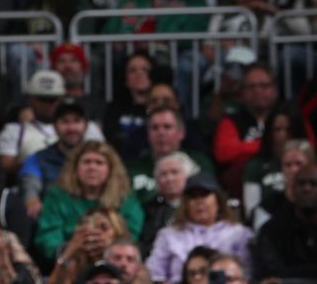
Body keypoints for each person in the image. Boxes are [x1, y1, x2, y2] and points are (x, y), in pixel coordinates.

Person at [33, 141, 144, 262]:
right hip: (70, 260)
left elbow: (132, 233)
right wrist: (72, 247)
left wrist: (111, 245)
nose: (92, 167)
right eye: (86, 162)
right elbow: (47, 237)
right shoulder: (57, 196)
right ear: (75, 168)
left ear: (111, 169)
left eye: (99, 163)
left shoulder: (125, 197)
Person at [145, 173, 253, 283]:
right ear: (185, 204)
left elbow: (248, 273)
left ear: (218, 200)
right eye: (193, 197)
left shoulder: (239, 233)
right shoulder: (168, 235)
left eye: (204, 195)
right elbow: (153, 273)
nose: (199, 201)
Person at [0, 70, 104, 175]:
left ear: (63, 97)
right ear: (30, 99)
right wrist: (41, 159)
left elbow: (103, 159)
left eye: (53, 99)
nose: (48, 104)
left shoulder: (87, 127)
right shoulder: (15, 130)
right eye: (43, 99)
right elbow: (5, 166)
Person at [212, 63, 280, 196]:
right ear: (241, 92)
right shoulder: (231, 120)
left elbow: (303, 147)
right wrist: (268, 145)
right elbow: (224, 153)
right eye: (251, 87)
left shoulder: (287, 115)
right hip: (241, 183)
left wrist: (244, 148)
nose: (257, 91)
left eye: (264, 86)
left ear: (275, 90)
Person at [19, 98, 91, 218]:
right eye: (65, 122)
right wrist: (32, 200)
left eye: (77, 121)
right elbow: (30, 185)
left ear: (86, 126)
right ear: (55, 126)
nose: (71, 128)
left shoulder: (98, 158)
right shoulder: (37, 159)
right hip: (53, 217)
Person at [127, 107, 214, 203]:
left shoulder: (200, 163)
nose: (161, 133)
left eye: (167, 127)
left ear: (181, 132)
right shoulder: (131, 168)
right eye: (155, 128)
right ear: (148, 134)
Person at [254, 163, 317, 280]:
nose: (307, 189)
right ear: (292, 190)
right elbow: (270, 274)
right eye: (301, 184)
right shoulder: (273, 230)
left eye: (314, 184)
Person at [139, 152, 201, 256]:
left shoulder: (200, 205)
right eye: (163, 174)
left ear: (189, 176)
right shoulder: (148, 209)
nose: (169, 179)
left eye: (174, 172)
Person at [49, 208, 131, 284]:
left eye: (104, 227)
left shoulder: (128, 259)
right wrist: (70, 251)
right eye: (90, 228)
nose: (96, 233)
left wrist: (111, 252)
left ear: (118, 232)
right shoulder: (75, 266)